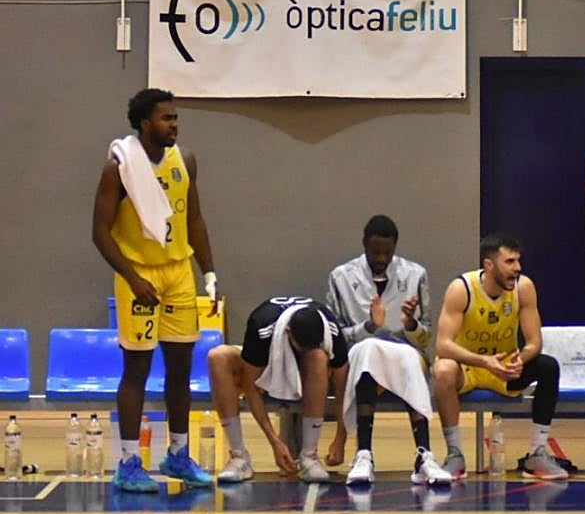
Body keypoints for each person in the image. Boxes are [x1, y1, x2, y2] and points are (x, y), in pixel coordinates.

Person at [91, 88, 218, 492]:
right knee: (137, 371)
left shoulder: (186, 161)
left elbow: (194, 219)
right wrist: (132, 278)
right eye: (166, 119)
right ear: (145, 123)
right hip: (139, 275)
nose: (174, 125)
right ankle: (128, 461)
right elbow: (99, 232)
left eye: (176, 118)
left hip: (178, 271)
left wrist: (209, 272)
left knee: (181, 369)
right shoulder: (120, 168)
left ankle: (178, 454)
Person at [327, 214, 451, 487]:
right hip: (361, 353)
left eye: (387, 252)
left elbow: (426, 337)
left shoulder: (415, 274)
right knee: (370, 351)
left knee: (408, 357)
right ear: (364, 245)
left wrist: (411, 324)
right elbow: (336, 337)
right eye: (375, 252)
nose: (381, 258)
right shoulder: (341, 277)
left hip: (403, 351)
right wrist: (369, 326)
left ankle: (424, 456)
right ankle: (364, 454)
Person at [431, 234, 568, 481]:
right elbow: (443, 345)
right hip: (469, 368)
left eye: (518, 261)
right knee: (443, 370)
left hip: (504, 368)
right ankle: (454, 454)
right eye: (510, 261)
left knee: (548, 366)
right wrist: (485, 361)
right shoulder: (461, 289)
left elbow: (534, 342)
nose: (517, 268)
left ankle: (537, 452)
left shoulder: (523, 287)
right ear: (489, 265)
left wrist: (521, 359)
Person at [207, 297, 349, 484]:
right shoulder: (261, 325)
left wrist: (341, 439)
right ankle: (239, 457)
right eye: (302, 348)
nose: (304, 351)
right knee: (217, 357)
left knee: (317, 357)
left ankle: (309, 456)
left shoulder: (331, 329)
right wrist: (275, 441)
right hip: (267, 362)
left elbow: (343, 389)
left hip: (311, 371)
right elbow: (251, 389)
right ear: (288, 332)